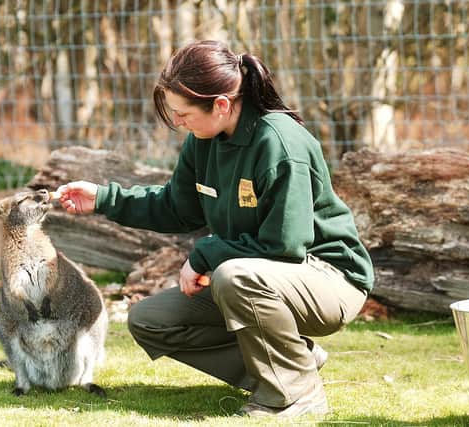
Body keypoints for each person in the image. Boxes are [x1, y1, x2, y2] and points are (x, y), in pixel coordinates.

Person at [56, 40, 374, 418]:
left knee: (234, 276)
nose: (178, 122)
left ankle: (296, 396)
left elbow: (284, 246)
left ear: (221, 104)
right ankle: (293, 365)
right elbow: (176, 207)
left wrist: (205, 255)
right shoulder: (203, 141)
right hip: (263, 274)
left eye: (183, 113)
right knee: (151, 321)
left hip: (329, 276)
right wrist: (104, 199)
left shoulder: (279, 144)